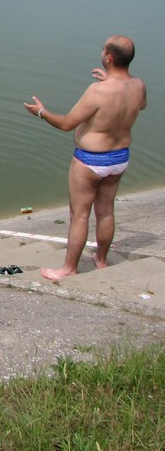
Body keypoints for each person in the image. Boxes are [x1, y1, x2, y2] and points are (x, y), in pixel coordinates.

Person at [23, 35, 146, 281]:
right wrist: (110, 80)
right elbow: (138, 105)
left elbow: (67, 124)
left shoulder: (97, 91)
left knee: (79, 215)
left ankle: (69, 268)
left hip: (90, 160)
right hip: (119, 158)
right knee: (106, 211)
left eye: (103, 49)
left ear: (109, 57)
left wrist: (41, 112)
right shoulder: (139, 86)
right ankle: (101, 259)